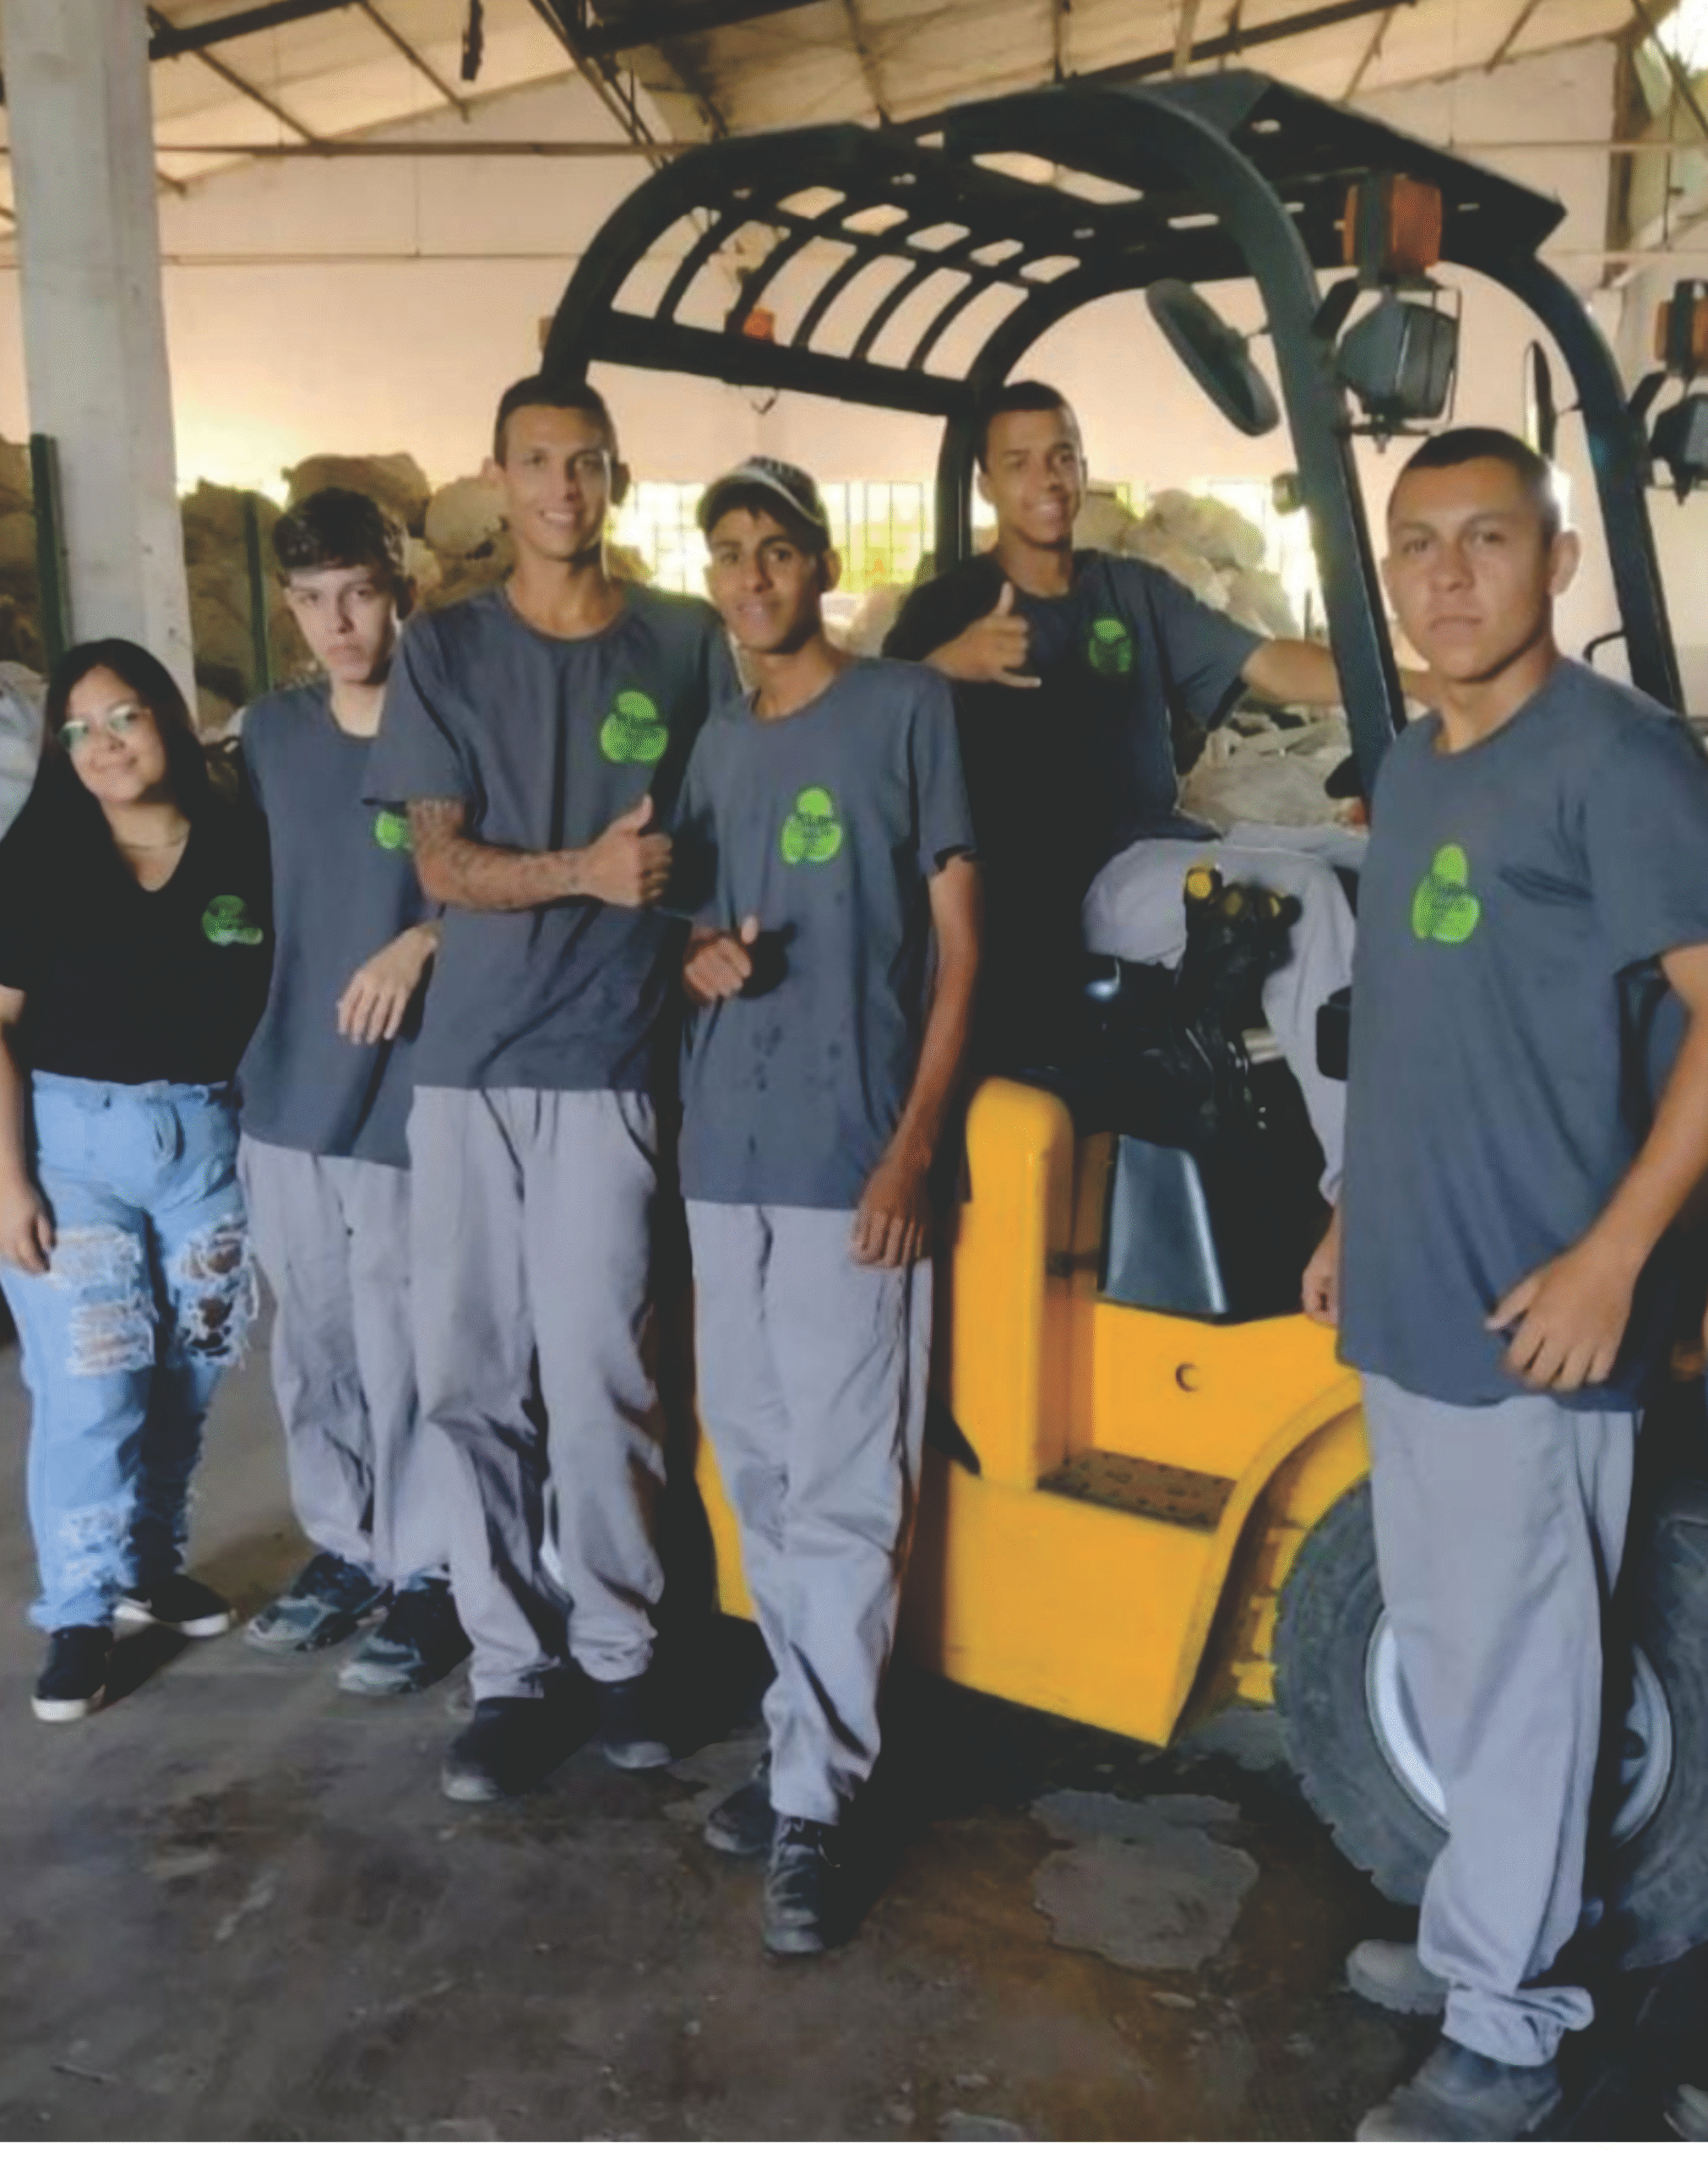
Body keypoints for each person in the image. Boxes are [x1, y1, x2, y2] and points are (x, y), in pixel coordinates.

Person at [1301, 427, 1708, 2141]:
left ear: (1558, 562)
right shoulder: (1413, 764)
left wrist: (1618, 1254)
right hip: (1410, 1279)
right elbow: (1409, 1021)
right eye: (1418, 545)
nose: (1447, 575)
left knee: (1532, 1665)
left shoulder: (1615, 764)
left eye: (1486, 539)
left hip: (1541, 1303)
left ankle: (1512, 2028)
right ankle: (1487, 1920)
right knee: (1464, 1653)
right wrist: (1342, 1210)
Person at [366, 374, 732, 1801]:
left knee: (600, 1380)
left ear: (618, 480)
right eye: (535, 464)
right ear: (500, 479)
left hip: (605, 1069)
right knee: (470, 1380)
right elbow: (439, 866)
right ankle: (511, 1670)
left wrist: (704, 931)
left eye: (586, 464)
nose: (562, 488)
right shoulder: (445, 654)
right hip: (466, 1071)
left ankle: (620, 1654)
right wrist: (582, 868)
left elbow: (742, 800)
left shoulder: (682, 643)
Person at [674, 458, 981, 1954]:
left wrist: (911, 1152)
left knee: (848, 1489)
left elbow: (961, 949)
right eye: (728, 554)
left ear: (817, 564)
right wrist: (698, 962)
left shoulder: (908, 713)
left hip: (852, 1162)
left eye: (776, 549)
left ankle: (816, 1800)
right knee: (767, 1481)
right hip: (724, 1155)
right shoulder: (720, 747)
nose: (752, 576)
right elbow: (690, 928)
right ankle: (806, 1749)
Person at [885, 382, 1416, 1196]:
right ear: (989, 484)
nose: (1048, 479)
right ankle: (1370, 1191)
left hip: (1164, 844)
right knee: (1297, 895)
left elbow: (1268, 663)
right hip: (1065, 893)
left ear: (1084, 466)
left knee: (1381, 860)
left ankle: (1433, 1128)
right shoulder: (946, 608)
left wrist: (1416, 682)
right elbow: (859, 732)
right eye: (1020, 463)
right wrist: (945, 669)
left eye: (1062, 457)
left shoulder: (1130, 590)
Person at [0, 640, 272, 1720]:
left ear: (167, 718)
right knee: (92, 1381)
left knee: (192, 1366)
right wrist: (9, 1182)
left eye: (124, 718)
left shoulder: (244, 846)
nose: (104, 746)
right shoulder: (40, 858)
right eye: (80, 730)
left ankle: (150, 1566)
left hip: (206, 1139)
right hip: (74, 1149)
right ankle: (77, 1609)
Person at [237, 488, 467, 1696]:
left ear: (402, 592)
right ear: (290, 611)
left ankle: (425, 1573)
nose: (339, 623)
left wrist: (421, 943)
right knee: (314, 1345)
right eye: (314, 602)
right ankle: (343, 1547)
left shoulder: (454, 728)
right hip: (286, 1088)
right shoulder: (268, 739)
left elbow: (499, 881)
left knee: (407, 1344)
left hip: (407, 1098)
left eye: (359, 595)